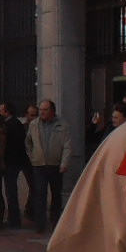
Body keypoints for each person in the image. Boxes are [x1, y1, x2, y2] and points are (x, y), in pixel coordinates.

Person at [27, 99, 72, 233]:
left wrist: (64, 163)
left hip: (55, 165)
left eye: (45, 110)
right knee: (40, 194)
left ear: (52, 111)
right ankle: (39, 224)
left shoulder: (62, 125)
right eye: (41, 110)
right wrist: (33, 156)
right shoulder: (34, 124)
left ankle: (56, 222)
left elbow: (67, 146)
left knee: (56, 195)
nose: (42, 112)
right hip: (39, 165)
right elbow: (28, 142)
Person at [0, 102, 30, 229]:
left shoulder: (10, 125)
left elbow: (11, 146)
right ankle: (14, 218)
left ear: (7, 112)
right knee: (11, 190)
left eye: (1, 111)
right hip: (17, 161)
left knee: (11, 191)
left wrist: (3, 161)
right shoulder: (16, 124)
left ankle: (14, 219)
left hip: (12, 162)